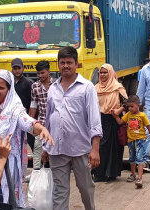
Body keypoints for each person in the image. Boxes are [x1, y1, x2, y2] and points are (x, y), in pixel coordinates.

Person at [0, 69, 53, 207]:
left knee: (4, 199)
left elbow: (27, 121)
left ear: (9, 89)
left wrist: (42, 129)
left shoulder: (14, 109)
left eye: (1, 88)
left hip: (6, 163)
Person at [42, 46, 102, 210]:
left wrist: (95, 149)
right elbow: (48, 118)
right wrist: (45, 147)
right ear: (58, 64)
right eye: (62, 63)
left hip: (80, 149)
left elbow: (95, 120)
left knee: (85, 188)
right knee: (60, 192)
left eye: (69, 62)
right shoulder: (53, 88)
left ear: (76, 64)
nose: (66, 66)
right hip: (57, 149)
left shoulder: (87, 87)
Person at [92, 63, 128, 182]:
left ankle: (112, 173)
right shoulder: (95, 88)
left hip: (113, 121)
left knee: (114, 147)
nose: (102, 75)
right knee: (100, 147)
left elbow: (127, 103)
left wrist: (119, 109)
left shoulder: (118, 88)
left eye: (105, 72)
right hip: (99, 120)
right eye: (101, 73)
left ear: (111, 73)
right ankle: (99, 174)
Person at [111, 95, 150, 187]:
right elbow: (120, 122)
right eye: (129, 107)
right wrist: (115, 117)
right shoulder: (128, 115)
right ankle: (133, 174)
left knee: (139, 158)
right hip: (131, 141)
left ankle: (140, 178)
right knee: (132, 158)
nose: (130, 109)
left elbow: (149, 128)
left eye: (132, 106)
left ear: (138, 105)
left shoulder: (142, 115)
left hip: (140, 141)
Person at [29, 61, 53, 170]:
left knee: (53, 153)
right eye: (38, 73)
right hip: (41, 124)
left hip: (54, 126)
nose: (40, 76)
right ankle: (36, 175)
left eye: (42, 73)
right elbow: (34, 104)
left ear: (49, 72)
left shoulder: (56, 85)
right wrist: (31, 123)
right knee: (37, 150)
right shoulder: (35, 86)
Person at [11, 58, 36, 154]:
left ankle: (40, 162)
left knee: (31, 139)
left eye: (19, 68)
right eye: (15, 68)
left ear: (23, 69)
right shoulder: (10, 83)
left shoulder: (28, 83)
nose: (17, 71)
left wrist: (31, 115)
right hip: (13, 115)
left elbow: (33, 101)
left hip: (26, 115)